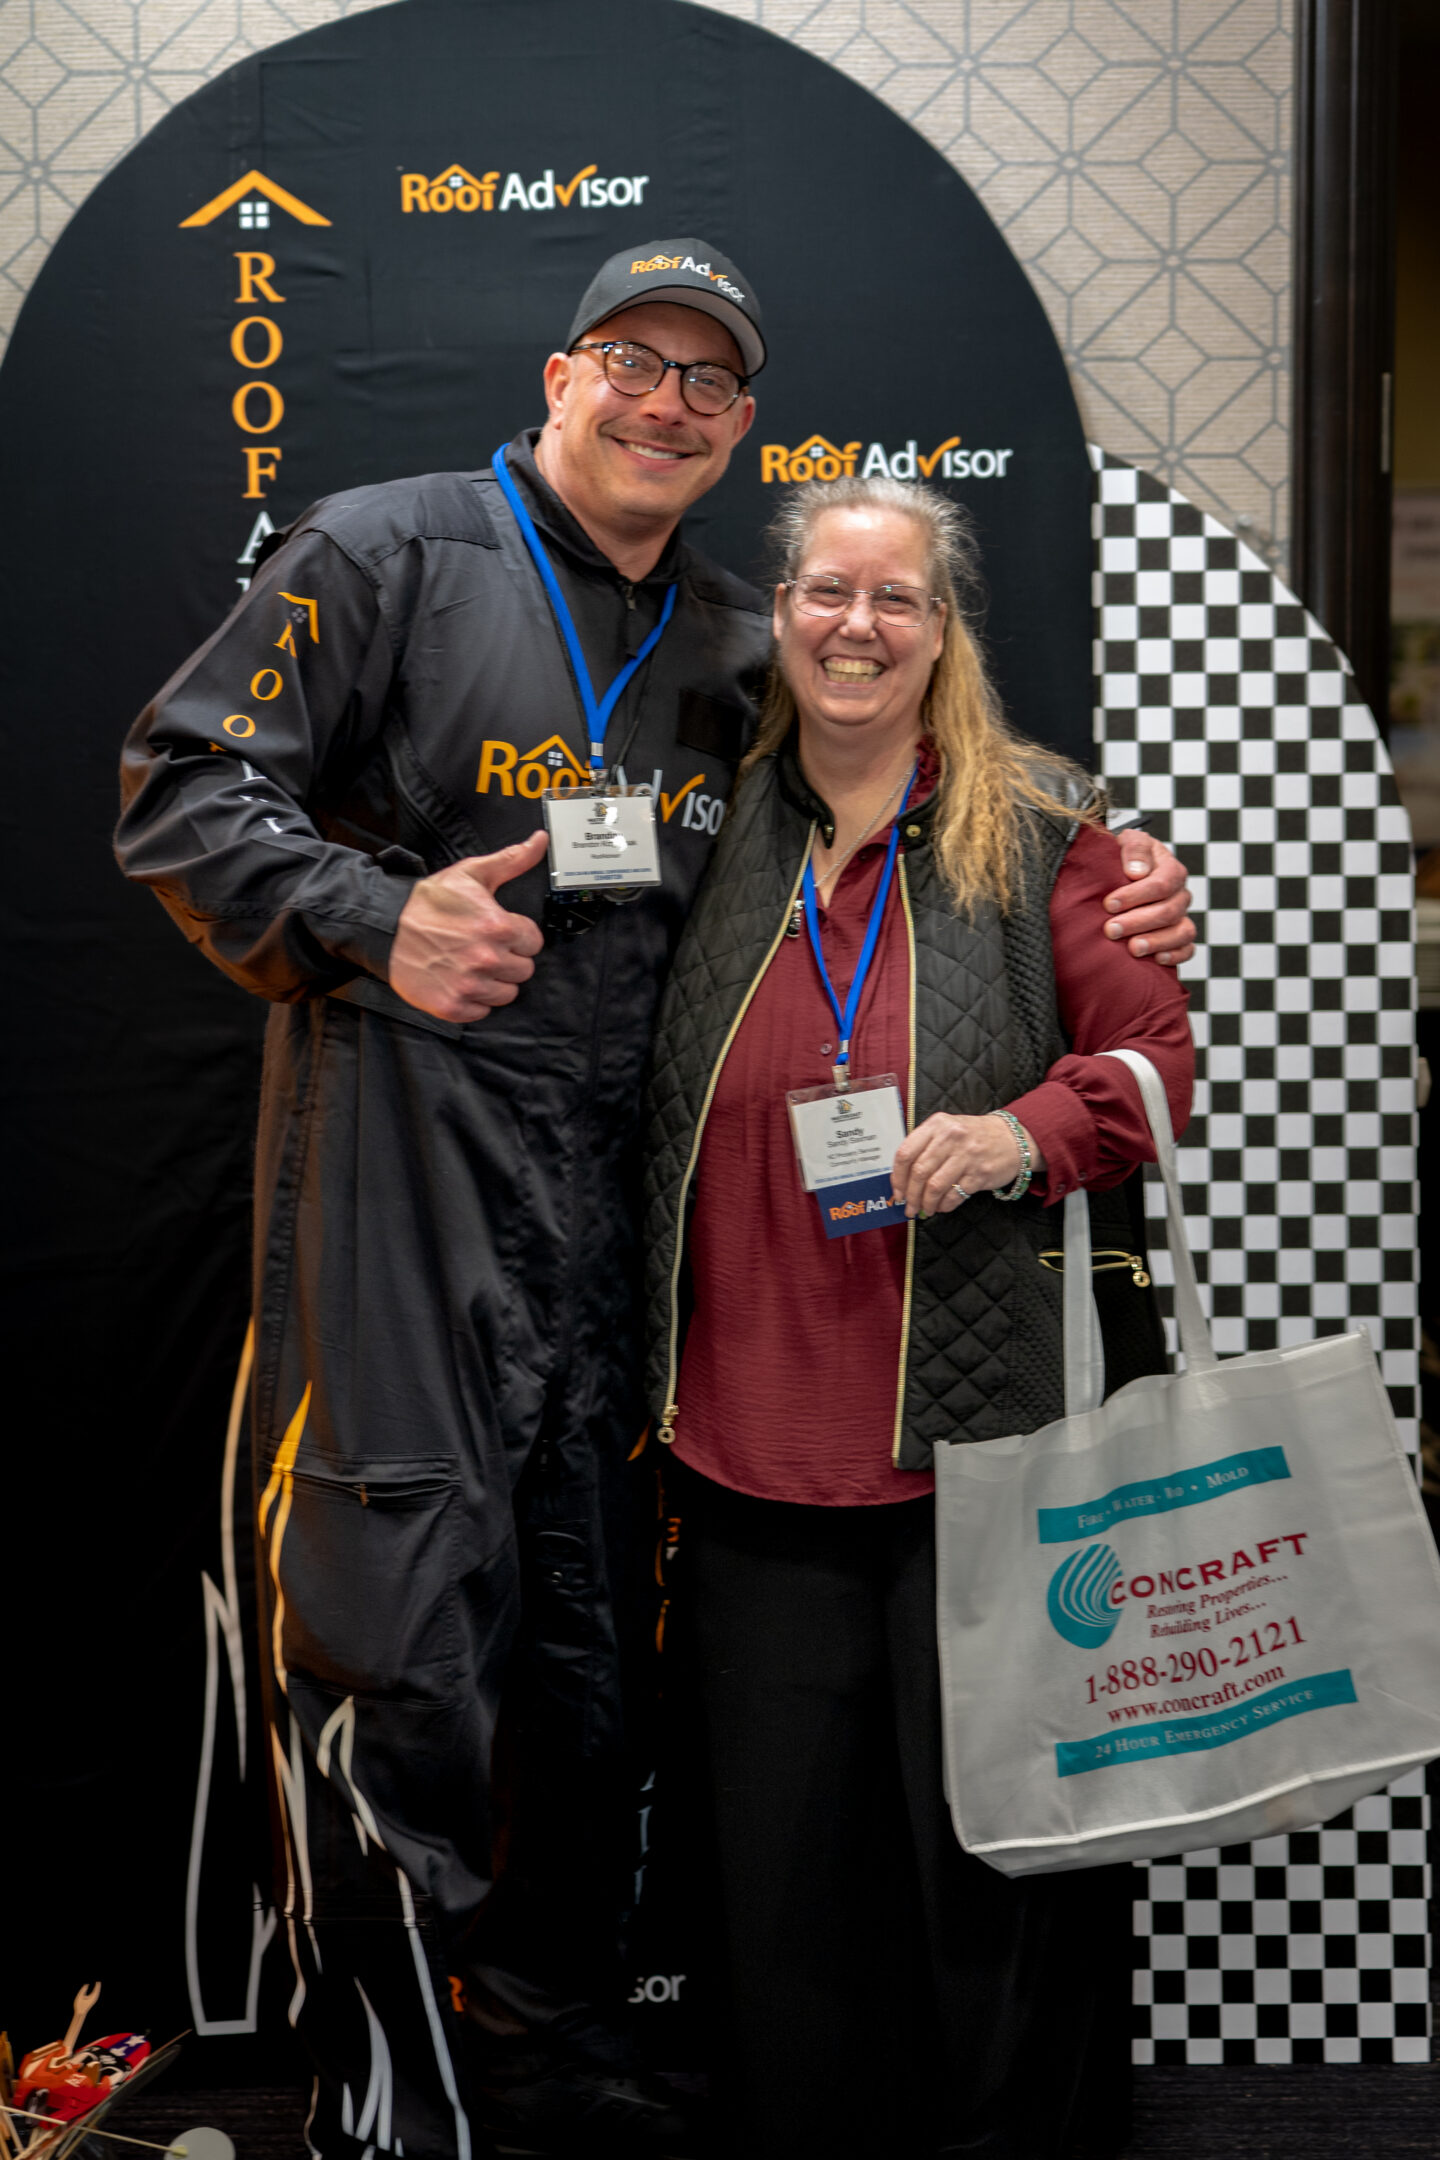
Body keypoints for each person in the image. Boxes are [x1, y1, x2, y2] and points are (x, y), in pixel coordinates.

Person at [115, 241, 1193, 2160]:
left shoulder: (725, 645)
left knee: (591, 1684)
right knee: (397, 1662)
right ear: (560, 375)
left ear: (741, 432)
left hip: (633, 1253)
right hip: (402, 1197)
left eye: (709, 382)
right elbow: (178, 788)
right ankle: (392, 2091)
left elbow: (908, 835)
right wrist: (374, 916)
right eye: (634, 362)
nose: (665, 402)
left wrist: (1114, 877)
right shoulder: (382, 552)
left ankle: (538, 2040)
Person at [643, 475, 1195, 2160]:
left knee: (998, 1876)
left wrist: (1025, 1134)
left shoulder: (1045, 829)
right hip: (742, 1460)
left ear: (941, 630)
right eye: (827, 592)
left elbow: (1156, 1069)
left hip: (984, 1458)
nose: (857, 626)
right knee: (784, 1892)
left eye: (896, 599)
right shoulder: (705, 826)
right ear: (780, 613)